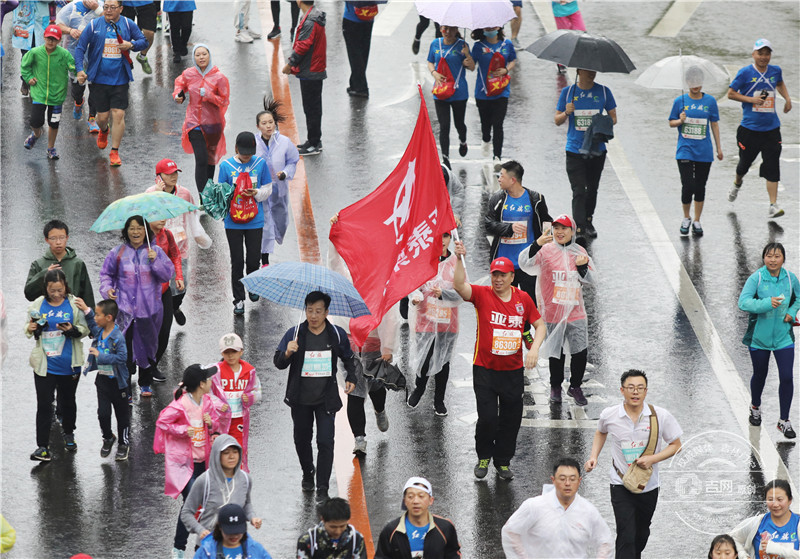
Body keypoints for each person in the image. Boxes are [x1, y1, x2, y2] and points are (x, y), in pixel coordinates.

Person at [452, 241, 546, 480]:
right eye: (494, 275)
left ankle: (503, 462)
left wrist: (534, 349)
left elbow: (540, 325)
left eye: (503, 275)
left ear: (512, 277)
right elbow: (460, 286)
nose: (498, 279)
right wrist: (459, 258)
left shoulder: (523, 299)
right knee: (487, 418)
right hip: (484, 369)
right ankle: (484, 457)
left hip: (512, 371)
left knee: (511, 419)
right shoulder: (482, 295)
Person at [584, 369, 683, 559]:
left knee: (641, 533)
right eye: (630, 387)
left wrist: (652, 459)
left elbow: (676, 445)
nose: (635, 392)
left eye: (640, 388)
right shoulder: (610, 415)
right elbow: (600, 432)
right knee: (626, 533)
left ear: (646, 391)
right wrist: (593, 457)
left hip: (648, 485)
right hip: (620, 483)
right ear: (622, 390)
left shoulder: (660, 416)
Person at [273, 291, 360, 499]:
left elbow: (349, 357)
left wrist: (351, 377)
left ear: (326, 312)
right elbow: (278, 363)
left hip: (326, 400)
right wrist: (287, 352)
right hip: (300, 400)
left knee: (325, 442)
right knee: (302, 440)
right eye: (309, 310)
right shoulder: (294, 334)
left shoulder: (336, 334)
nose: (313, 316)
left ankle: (322, 488)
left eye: (318, 311)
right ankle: (307, 472)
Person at [326, 238, 395, 456]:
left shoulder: (380, 285)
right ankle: (360, 438)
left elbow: (389, 317)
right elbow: (334, 264)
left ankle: (379, 410)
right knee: (354, 393)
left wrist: (388, 347)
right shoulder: (345, 282)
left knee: (376, 387)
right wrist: (334, 239)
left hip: (374, 347)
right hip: (350, 348)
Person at [518, 214, 594, 406]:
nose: (560, 232)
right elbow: (524, 263)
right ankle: (555, 386)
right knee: (556, 352)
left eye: (564, 228)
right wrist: (537, 244)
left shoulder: (579, 252)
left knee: (580, 352)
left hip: (575, 312)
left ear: (572, 231)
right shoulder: (545, 250)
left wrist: (582, 268)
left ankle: (575, 386)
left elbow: (591, 280)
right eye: (556, 228)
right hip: (552, 312)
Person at [99, 215, 174, 396]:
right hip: (124, 311)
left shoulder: (155, 251)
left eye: (139, 228)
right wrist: (108, 289)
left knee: (148, 347)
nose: (136, 232)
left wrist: (156, 261)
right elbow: (106, 274)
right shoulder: (117, 253)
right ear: (126, 231)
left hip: (149, 310)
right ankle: (126, 388)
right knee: (125, 348)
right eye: (132, 228)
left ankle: (145, 383)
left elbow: (166, 275)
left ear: (145, 231)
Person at [154, 364, 221, 559]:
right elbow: (162, 422)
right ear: (201, 384)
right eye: (208, 379)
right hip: (184, 463)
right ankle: (178, 548)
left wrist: (211, 423)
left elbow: (216, 424)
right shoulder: (180, 405)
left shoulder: (207, 402)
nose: (211, 381)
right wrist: (183, 430)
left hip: (202, 462)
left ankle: (201, 545)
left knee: (205, 502)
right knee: (191, 501)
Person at [26, 269, 90, 461]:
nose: (56, 294)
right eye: (52, 290)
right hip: (45, 365)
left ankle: (69, 433)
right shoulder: (38, 304)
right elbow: (28, 327)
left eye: (59, 290)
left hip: (69, 364)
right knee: (44, 405)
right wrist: (32, 328)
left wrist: (72, 330)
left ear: (65, 287)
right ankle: (42, 447)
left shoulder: (74, 304)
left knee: (68, 401)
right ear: (45, 288)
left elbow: (85, 329)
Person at [74, 0, 148, 166]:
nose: (108, 10)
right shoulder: (94, 25)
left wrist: (131, 44)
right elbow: (80, 48)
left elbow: (144, 41)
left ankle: (114, 151)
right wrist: (79, 70)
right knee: (102, 118)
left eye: (112, 8)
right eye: (106, 7)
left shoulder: (128, 24)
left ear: (121, 9)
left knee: (118, 114)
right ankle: (104, 130)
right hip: (98, 79)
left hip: (120, 79)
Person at [737, 242, 800, 439]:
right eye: (769, 256)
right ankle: (755, 407)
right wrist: (766, 303)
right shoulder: (756, 278)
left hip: (783, 338)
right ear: (764, 258)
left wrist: (791, 312)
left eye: (777, 256)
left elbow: (798, 298)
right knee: (760, 375)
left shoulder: (790, 278)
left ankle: (784, 420)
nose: (773, 260)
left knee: (787, 377)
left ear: (783, 259)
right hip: (759, 339)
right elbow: (743, 302)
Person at [727, 39, 793, 218]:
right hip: (750, 129)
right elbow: (731, 93)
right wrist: (751, 100)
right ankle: (737, 183)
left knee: (772, 167)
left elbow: (779, 83)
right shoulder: (745, 73)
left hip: (771, 129)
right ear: (753, 54)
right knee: (744, 165)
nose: (764, 57)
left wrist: (787, 99)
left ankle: (773, 205)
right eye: (760, 53)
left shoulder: (775, 71)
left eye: (767, 54)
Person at [501, 458, 614, 559]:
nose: (567, 483)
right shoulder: (534, 506)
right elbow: (510, 531)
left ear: (579, 481)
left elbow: (605, 542)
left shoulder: (588, 511)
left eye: (572, 479)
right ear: (553, 480)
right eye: (562, 479)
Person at [146, 158, 212, 326]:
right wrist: (158, 195)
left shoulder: (185, 193)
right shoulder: (150, 194)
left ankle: (175, 307)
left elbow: (192, 215)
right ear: (159, 176)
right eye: (169, 174)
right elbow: (146, 218)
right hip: (159, 249)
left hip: (180, 248)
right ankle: (163, 314)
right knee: (160, 285)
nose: (173, 176)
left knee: (182, 285)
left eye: (175, 173)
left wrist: (199, 235)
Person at [555, 68, 617, 238]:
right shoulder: (568, 93)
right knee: (579, 190)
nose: (591, 72)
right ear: (578, 71)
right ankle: (579, 227)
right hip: (574, 150)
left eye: (594, 70)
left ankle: (588, 220)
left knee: (592, 189)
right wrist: (566, 112)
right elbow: (557, 120)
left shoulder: (604, 92)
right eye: (587, 70)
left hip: (597, 150)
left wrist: (600, 122)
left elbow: (614, 118)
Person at [218, 132, 273, 316]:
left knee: (253, 259)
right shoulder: (226, 166)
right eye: (243, 153)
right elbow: (221, 192)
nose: (246, 156)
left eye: (249, 153)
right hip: (232, 222)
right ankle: (238, 299)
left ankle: (252, 286)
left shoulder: (260, 164)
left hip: (255, 221)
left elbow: (267, 189)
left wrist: (256, 193)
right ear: (236, 149)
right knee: (237, 261)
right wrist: (232, 194)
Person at [406, 231, 460, 416]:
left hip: (448, 322)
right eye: (438, 236)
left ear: (450, 238)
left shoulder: (456, 262)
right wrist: (415, 297)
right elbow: (414, 285)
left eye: (445, 236)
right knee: (424, 358)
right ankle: (419, 389)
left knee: (443, 362)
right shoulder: (423, 261)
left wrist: (444, 294)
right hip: (426, 321)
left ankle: (439, 400)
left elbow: (464, 292)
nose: (442, 241)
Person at [181, 436, 263, 556]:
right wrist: (200, 530)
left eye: (235, 452)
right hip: (209, 546)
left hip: (236, 546)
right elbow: (186, 512)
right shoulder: (204, 481)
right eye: (226, 453)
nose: (231, 456)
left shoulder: (245, 479)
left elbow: (246, 504)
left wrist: (252, 517)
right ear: (217, 455)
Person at [485, 160, 551, 304]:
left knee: (530, 304)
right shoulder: (497, 199)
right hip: (504, 264)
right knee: (505, 305)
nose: (499, 179)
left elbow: (546, 224)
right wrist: (509, 228)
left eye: (502, 176)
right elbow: (488, 225)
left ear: (513, 180)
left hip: (528, 263)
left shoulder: (536, 199)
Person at [668, 66, 723, 236]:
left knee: (700, 186)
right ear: (687, 82)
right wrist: (680, 120)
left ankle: (697, 220)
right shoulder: (680, 101)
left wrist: (719, 148)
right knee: (688, 185)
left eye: (698, 81)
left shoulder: (710, 101)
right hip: (685, 150)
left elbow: (714, 124)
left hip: (704, 152)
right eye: (691, 81)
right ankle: (686, 217)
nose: (695, 84)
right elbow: (671, 122)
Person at [74, 297, 131, 461]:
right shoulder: (99, 331)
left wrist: (101, 356)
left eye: (98, 315)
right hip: (103, 381)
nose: (96, 317)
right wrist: (86, 310)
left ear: (109, 317)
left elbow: (122, 358)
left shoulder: (118, 337)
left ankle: (123, 443)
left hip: (118, 383)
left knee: (122, 415)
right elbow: (92, 324)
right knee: (103, 414)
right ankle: (108, 437)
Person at [173, 44, 230, 194]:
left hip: (213, 124)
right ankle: (203, 196)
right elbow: (179, 85)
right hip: (194, 123)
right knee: (201, 159)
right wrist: (178, 95)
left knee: (210, 160)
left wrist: (209, 95)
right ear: (194, 58)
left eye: (204, 54)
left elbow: (224, 101)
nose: (201, 57)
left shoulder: (219, 77)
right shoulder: (189, 74)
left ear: (209, 55)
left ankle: (208, 193)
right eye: (197, 55)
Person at [255, 98, 299, 266]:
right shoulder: (254, 142)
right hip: (260, 190)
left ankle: (270, 243)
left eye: (271, 122)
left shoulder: (284, 142)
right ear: (258, 126)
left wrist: (285, 173)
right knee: (265, 224)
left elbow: (292, 161)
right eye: (264, 123)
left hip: (279, 190)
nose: (268, 126)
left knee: (281, 221)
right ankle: (264, 259)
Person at [20, 24, 75, 160]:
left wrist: (80, 73)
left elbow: (73, 66)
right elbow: (24, 66)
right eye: (49, 38)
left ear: (59, 40)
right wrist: (28, 78)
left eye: (54, 39)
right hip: (39, 94)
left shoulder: (64, 54)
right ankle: (36, 134)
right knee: (35, 122)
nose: (51, 41)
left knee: (54, 123)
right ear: (44, 37)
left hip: (57, 96)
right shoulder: (35, 52)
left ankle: (51, 148)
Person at [211, 333, 262, 472]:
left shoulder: (249, 371)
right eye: (226, 352)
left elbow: (258, 391)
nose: (230, 356)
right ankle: (220, 475)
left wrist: (250, 398)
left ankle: (238, 474)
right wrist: (218, 405)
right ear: (222, 353)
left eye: (234, 351)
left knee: (238, 448)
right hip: (221, 420)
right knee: (221, 448)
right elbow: (206, 393)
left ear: (241, 352)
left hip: (240, 419)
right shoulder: (216, 370)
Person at [375, 477, 461, 558]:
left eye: (421, 496)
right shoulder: (391, 531)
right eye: (410, 497)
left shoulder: (445, 528)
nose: (415, 501)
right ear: (404, 501)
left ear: (431, 500)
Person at [427, 25, 474, 168]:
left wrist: (467, 56)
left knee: (459, 124)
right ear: (441, 29)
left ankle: (463, 141)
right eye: (444, 29)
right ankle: (445, 159)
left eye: (451, 29)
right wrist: (434, 73)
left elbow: (472, 67)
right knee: (444, 126)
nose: (447, 32)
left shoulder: (462, 45)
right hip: (440, 92)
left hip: (459, 93)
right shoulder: (435, 44)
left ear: (456, 30)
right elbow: (430, 61)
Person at [283, 0, 326, 156]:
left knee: (311, 108)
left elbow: (302, 46)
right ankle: (314, 140)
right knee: (312, 107)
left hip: (310, 70)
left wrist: (290, 64)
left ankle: (313, 143)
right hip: (313, 68)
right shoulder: (312, 16)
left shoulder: (309, 21)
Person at [469, 26, 516, 165]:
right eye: (487, 27)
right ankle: (485, 138)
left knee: (498, 124)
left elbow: (512, 60)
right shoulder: (478, 46)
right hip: (483, 92)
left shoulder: (507, 44)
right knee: (485, 124)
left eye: (493, 27)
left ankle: (497, 157)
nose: (490, 29)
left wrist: (506, 69)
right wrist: (466, 57)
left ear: (499, 27)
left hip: (501, 92)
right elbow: (472, 67)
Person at [54, 0, 102, 132]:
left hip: (96, 52)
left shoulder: (103, 7)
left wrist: (97, 9)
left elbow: (113, 22)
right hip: (74, 51)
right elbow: (58, 26)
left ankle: (92, 118)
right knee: (77, 87)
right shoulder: (72, 8)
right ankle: (78, 101)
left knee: (95, 87)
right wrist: (70, 30)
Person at [25, 219, 95, 307]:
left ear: (67, 238)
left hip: (72, 312)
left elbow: (87, 296)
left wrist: (90, 314)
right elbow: (29, 295)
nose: (58, 242)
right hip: (46, 312)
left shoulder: (77, 264)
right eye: (53, 238)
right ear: (46, 240)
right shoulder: (38, 264)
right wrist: (44, 274)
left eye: (62, 237)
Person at [730, 480, 799, 559]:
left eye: (780, 499)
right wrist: (743, 555)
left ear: (790, 500)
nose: (775, 504)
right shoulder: (757, 523)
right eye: (770, 499)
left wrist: (776, 549)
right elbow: (731, 538)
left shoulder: (797, 524)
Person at [149, 218, 183, 378]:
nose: (162, 219)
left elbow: (175, 255)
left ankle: (153, 365)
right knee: (148, 333)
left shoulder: (167, 234)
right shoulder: (141, 238)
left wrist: (179, 276)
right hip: (146, 294)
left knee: (164, 331)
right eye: (157, 216)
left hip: (164, 291)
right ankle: (138, 362)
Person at [341, 1, 386, 98]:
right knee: (363, 53)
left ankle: (361, 87)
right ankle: (355, 83)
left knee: (355, 54)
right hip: (369, 18)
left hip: (352, 19)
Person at [194, 503, 272, 559]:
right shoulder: (205, 551)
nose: (234, 536)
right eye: (229, 532)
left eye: (238, 531)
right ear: (220, 527)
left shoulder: (256, 549)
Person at [297, 497, 367, 559]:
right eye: (333, 527)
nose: (338, 531)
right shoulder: (307, 540)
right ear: (323, 519)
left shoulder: (357, 539)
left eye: (342, 526)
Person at [11, 0, 52, 96]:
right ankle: (25, 80)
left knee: (40, 55)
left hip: (40, 23)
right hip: (24, 23)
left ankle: (38, 82)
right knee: (26, 55)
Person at [121, 0, 156, 73]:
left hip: (146, 3)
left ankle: (142, 56)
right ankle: (124, 61)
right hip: (125, 4)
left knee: (150, 33)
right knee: (124, 35)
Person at [551, 0, 585, 73]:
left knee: (581, 33)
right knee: (564, 36)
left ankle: (580, 59)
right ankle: (561, 63)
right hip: (560, 11)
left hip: (574, 8)